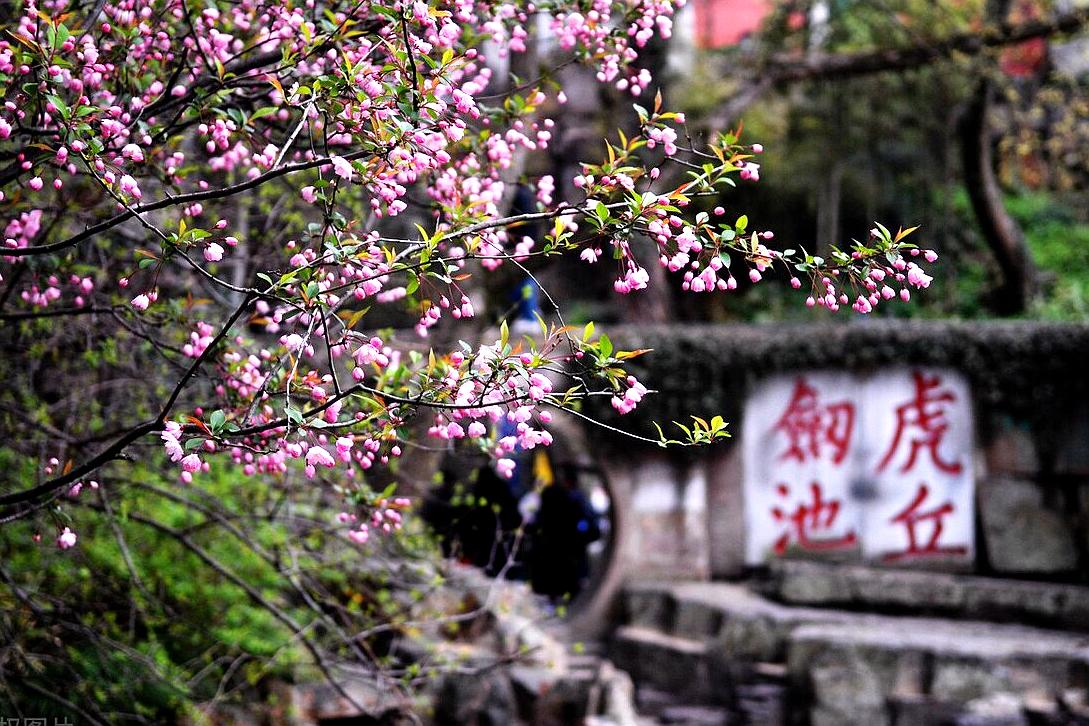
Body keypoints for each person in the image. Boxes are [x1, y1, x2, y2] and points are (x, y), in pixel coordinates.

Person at [528, 463, 601, 602]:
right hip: (568, 553)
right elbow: (591, 527)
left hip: (556, 553)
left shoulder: (552, 497)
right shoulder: (576, 499)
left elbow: (535, 523)